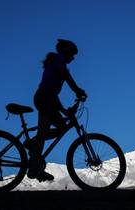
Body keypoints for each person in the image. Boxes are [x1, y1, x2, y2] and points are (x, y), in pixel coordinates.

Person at [26, 39, 87, 182]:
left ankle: (35, 157)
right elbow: (66, 77)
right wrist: (78, 91)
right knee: (56, 128)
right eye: (72, 54)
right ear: (66, 51)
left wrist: (64, 111)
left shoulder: (56, 61)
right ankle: (34, 158)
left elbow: (53, 94)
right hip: (45, 99)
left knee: (55, 128)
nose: (73, 58)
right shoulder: (58, 60)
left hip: (46, 98)